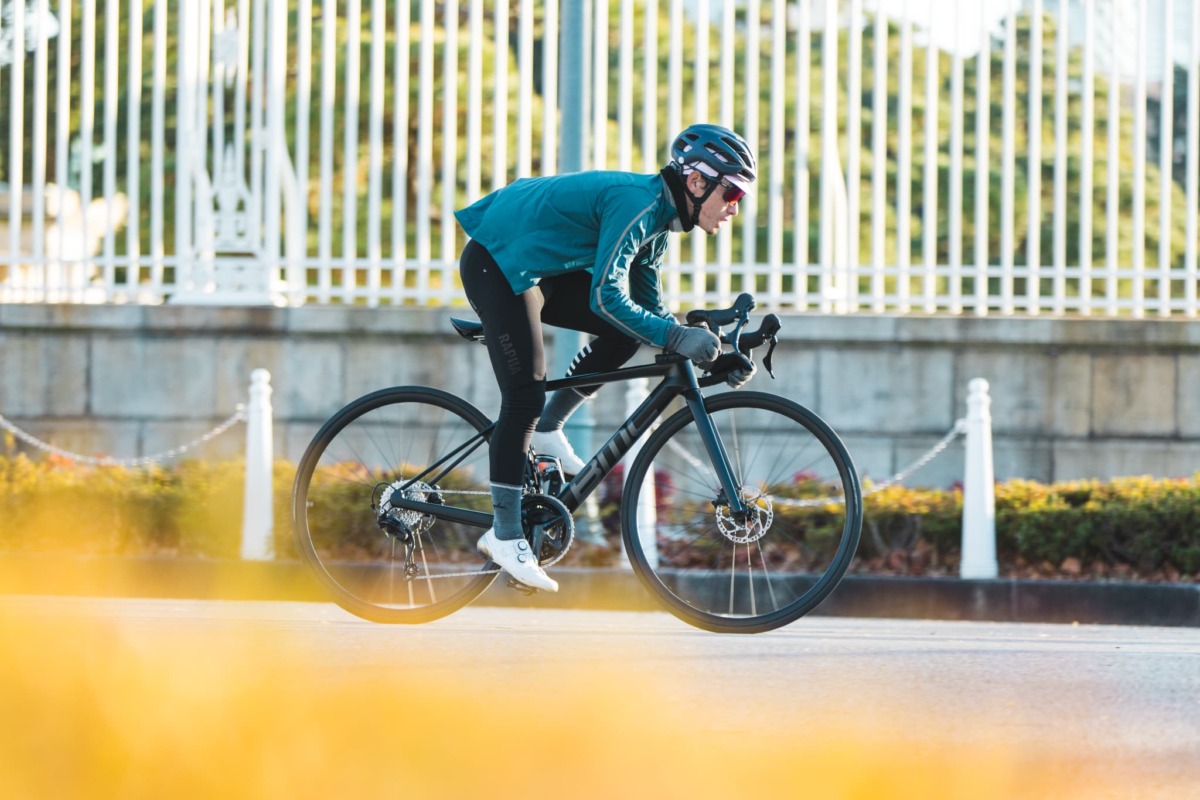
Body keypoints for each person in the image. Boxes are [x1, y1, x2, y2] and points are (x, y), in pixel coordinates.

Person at [454, 123, 757, 592]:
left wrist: (713, 358)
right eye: (732, 192)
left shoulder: (659, 222)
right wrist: (678, 335)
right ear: (697, 181)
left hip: (535, 268)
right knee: (524, 396)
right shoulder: (636, 204)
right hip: (495, 260)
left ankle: (549, 430)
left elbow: (650, 312)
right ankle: (505, 535)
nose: (735, 207)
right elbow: (606, 297)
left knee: (626, 332)